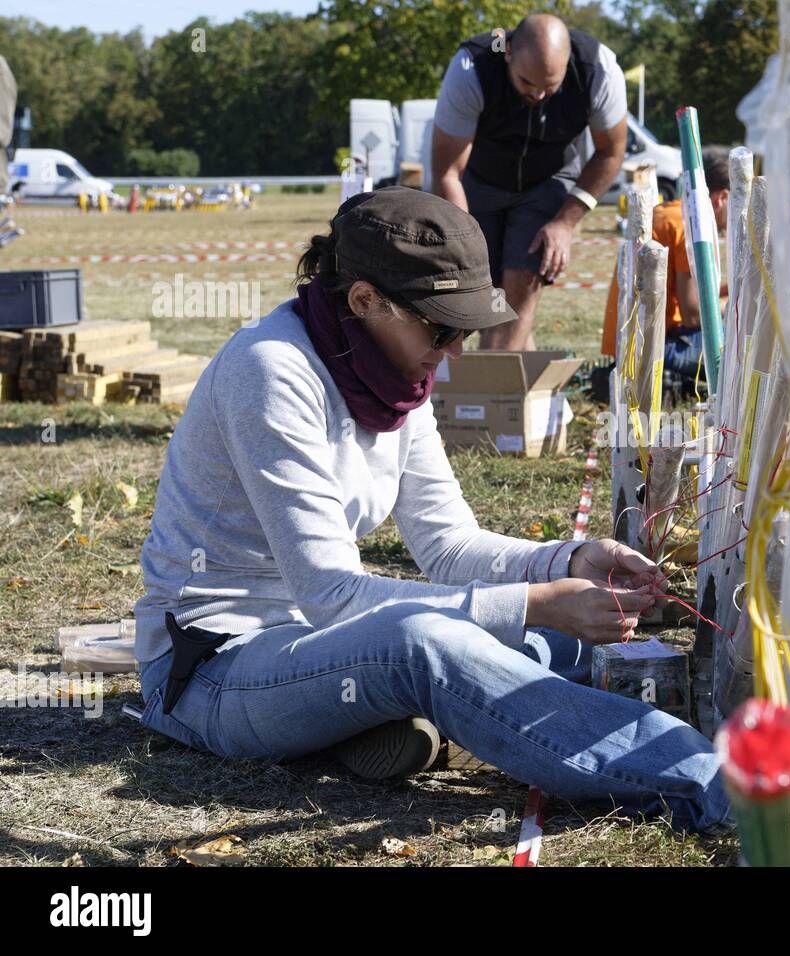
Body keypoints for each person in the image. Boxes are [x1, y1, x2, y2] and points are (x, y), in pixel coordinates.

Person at [133, 187, 731, 833]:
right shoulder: (271, 372)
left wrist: (569, 559)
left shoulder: (391, 373)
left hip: (316, 649)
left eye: (464, 329)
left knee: (536, 638)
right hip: (216, 671)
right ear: (363, 300)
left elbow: (449, 545)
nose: (454, 352)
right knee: (427, 645)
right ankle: (720, 787)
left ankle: (386, 718)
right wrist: (531, 602)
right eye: (441, 327)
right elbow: (330, 595)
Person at [432, 13, 627, 351]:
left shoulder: (599, 69)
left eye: (551, 86)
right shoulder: (472, 67)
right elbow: (447, 171)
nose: (538, 95)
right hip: (479, 179)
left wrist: (565, 223)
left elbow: (611, 152)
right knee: (476, 290)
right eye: (527, 83)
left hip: (549, 179)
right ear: (508, 52)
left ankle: (494, 394)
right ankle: (523, 391)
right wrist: (463, 245)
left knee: (520, 282)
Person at [600, 146, 730, 380]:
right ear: (722, 198)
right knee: (741, 342)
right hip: (655, 348)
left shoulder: (669, 214)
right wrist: (731, 306)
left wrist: (728, 290)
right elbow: (693, 314)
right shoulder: (690, 226)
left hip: (628, 345)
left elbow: (680, 295)